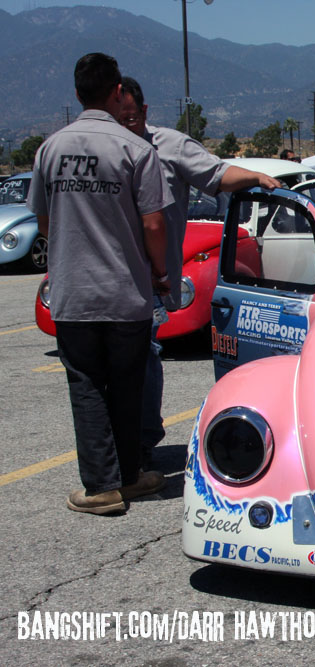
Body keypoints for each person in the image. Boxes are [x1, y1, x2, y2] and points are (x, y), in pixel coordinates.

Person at [28, 53, 172, 515]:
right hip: (126, 291)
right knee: (128, 384)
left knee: (86, 383)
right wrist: (160, 272)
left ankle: (101, 486)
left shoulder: (50, 149)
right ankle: (128, 476)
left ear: (77, 94)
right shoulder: (136, 150)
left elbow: (44, 221)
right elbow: (154, 224)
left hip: (74, 293)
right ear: (117, 92)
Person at [118, 76, 282, 467]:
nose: (123, 126)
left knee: (144, 354)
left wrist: (255, 178)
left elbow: (216, 174)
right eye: (116, 118)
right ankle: (117, 447)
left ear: (144, 111)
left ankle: (141, 441)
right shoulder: (98, 147)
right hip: (108, 275)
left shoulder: (169, 145)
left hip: (151, 278)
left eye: (130, 118)